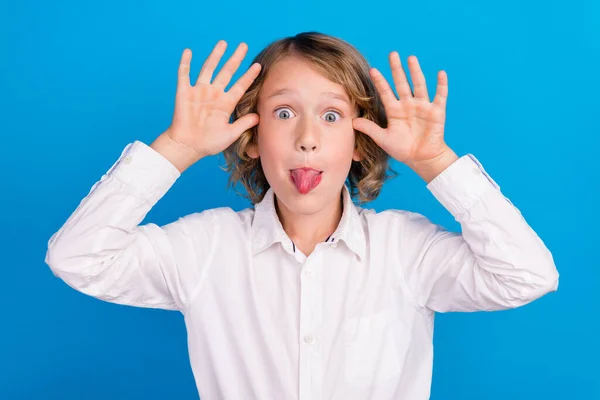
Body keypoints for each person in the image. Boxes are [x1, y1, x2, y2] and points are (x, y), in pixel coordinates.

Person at [45, 31, 559, 399]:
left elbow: (527, 277)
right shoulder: (204, 249)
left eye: (332, 116)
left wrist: (435, 162)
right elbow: (78, 258)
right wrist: (176, 147)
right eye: (284, 113)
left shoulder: (408, 250)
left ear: (360, 143)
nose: (307, 137)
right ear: (251, 137)